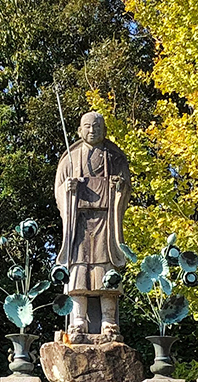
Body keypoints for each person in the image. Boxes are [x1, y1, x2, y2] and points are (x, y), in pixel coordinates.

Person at [55, 111, 131, 337]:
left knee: (106, 266)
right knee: (79, 267)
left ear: (104, 130)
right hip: (79, 224)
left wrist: (119, 187)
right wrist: (67, 190)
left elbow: (125, 187)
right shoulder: (70, 157)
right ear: (79, 130)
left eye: (97, 126)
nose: (92, 130)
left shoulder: (115, 157)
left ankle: (108, 320)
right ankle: (78, 320)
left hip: (106, 223)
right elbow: (59, 188)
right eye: (87, 126)